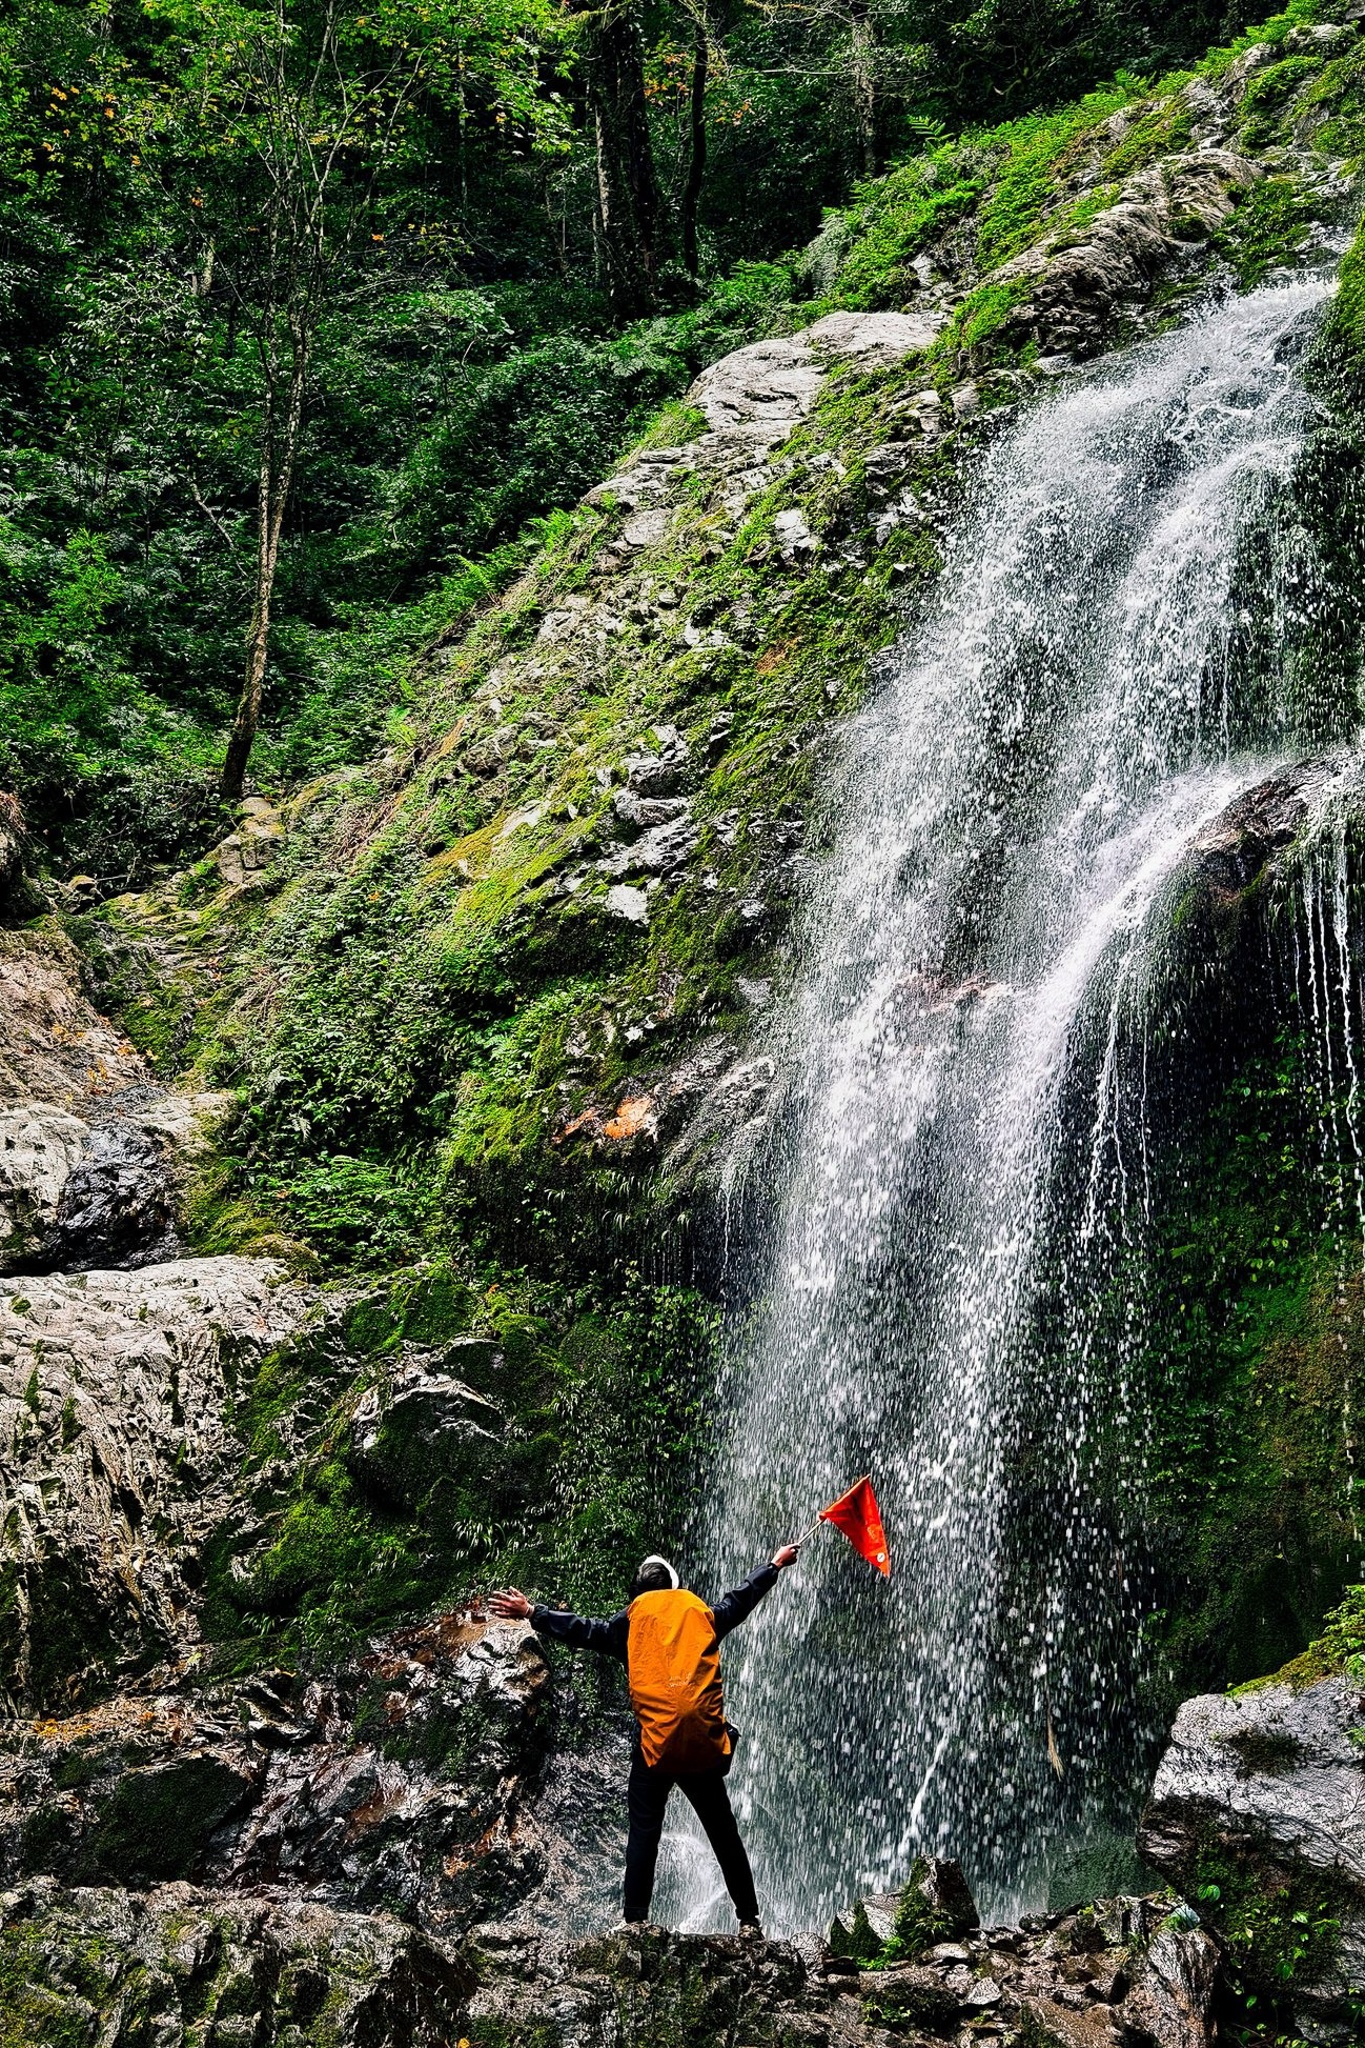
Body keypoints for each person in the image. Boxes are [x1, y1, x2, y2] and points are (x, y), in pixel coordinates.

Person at [490, 1542, 800, 1936]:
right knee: (723, 1832)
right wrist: (772, 1565)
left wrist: (533, 1612)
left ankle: (635, 1920)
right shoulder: (701, 1615)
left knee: (644, 1830)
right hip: (701, 1747)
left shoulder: (629, 1624)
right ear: (674, 1587)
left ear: (637, 1595)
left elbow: (583, 1630)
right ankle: (748, 1920)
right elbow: (739, 1600)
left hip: (655, 1748)